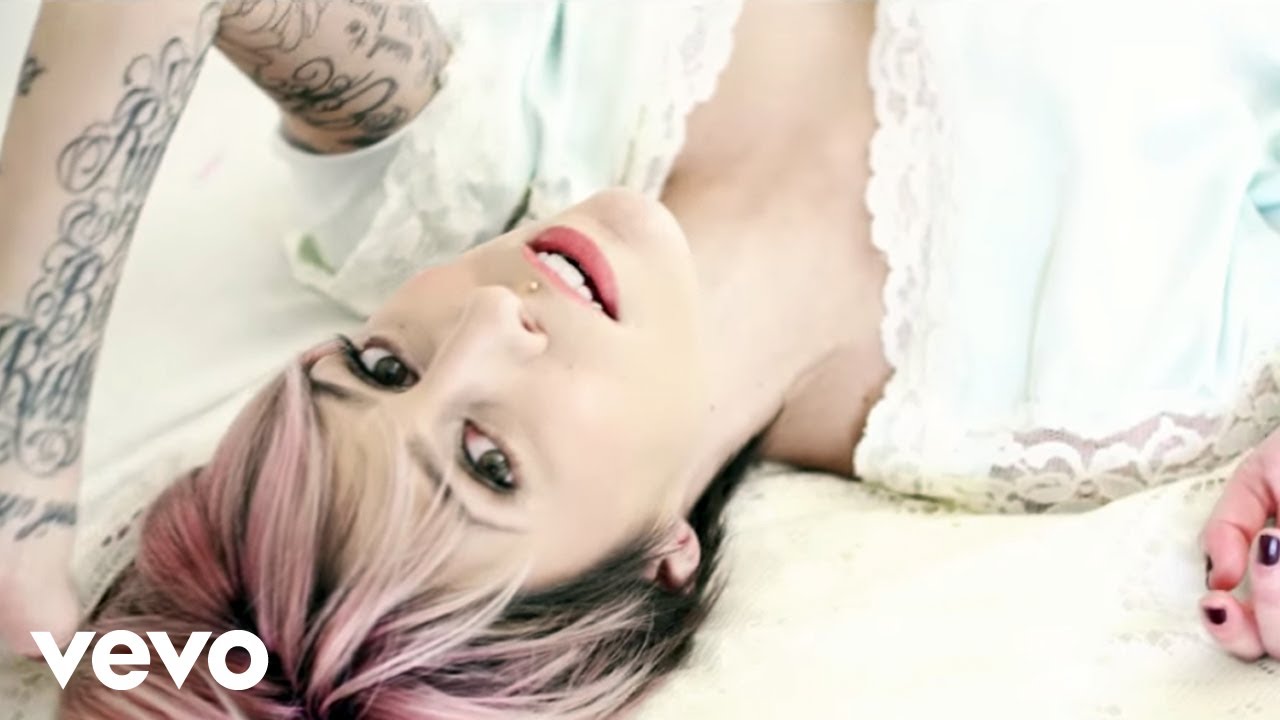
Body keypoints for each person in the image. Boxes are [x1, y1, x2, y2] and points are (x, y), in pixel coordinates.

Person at [1, 0, 1279, 716]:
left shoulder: (463, 161)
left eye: (382, 368)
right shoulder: (1096, 386)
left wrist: (20, 473)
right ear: (656, 564)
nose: (486, 323)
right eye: (487, 461)